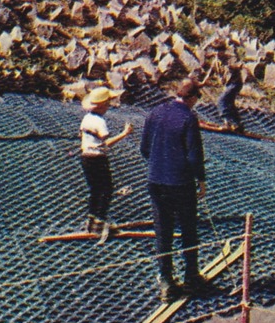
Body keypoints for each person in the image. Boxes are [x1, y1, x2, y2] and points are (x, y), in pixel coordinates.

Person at [141, 78, 209, 302]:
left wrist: (158, 164)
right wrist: (200, 179)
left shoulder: (156, 112)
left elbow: (144, 147)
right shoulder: (188, 118)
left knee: (163, 231)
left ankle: (166, 281)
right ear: (190, 98)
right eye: (195, 101)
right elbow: (194, 155)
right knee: (189, 229)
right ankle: (191, 276)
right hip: (180, 182)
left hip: (156, 180)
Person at [80, 86, 133, 243]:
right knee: (106, 190)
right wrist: (124, 134)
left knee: (95, 190)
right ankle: (100, 223)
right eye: (108, 103)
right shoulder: (100, 122)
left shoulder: (87, 118)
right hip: (97, 158)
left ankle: (91, 220)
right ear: (103, 105)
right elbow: (106, 142)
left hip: (86, 157)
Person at [214, 52, 247, 133]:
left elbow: (240, 65)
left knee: (221, 101)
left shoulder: (230, 59)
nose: (218, 53)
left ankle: (227, 124)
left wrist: (239, 66)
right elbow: (211, 71)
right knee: (230, 103)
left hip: (235, 84)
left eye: (220, 50)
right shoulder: (216, 62)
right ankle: (238, 124)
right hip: (228, 85)